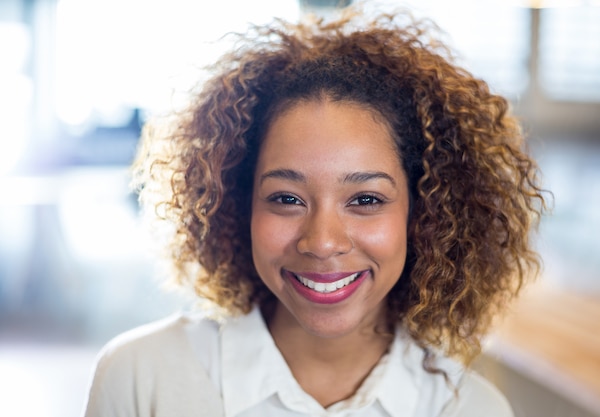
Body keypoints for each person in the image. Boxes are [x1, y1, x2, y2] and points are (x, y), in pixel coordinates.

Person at [83, 7, 545, 417]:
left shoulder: (470, 409)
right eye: (286, 198)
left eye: (365, 200)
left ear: (423, 214)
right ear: (238, 204)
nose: (322, 242)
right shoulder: (142, 377)